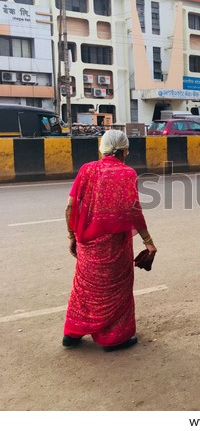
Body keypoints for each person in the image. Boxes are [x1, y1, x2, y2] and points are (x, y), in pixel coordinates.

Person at [63, 130, 157, 352]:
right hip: (115, 246)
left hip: (87, 244)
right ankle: (113, 339)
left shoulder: (87, 169)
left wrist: (71, 236)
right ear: (125, 151)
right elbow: (132, 211)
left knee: (84, 289)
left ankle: (72, 333)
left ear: (102, 149)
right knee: (116, 290)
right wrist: (148, 241)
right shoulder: (127, 173)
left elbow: (69, 208)